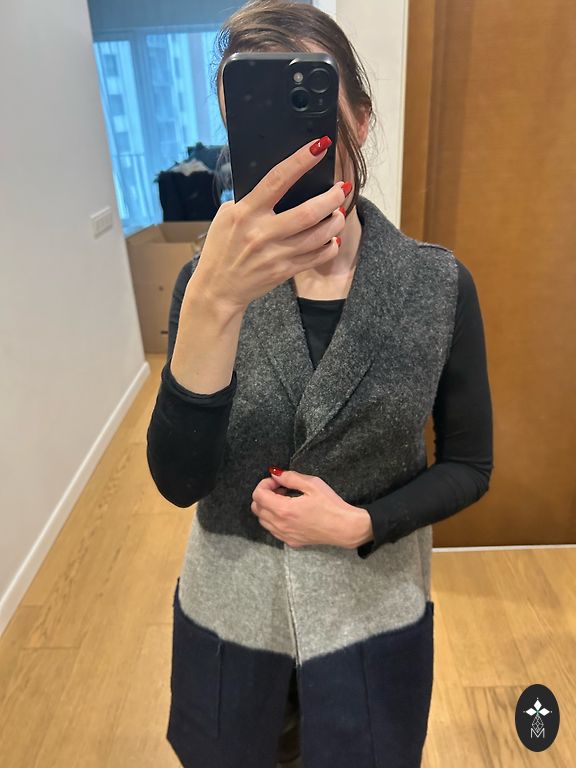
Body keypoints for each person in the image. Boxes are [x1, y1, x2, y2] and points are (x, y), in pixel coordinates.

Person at [146, 2, 493, 767]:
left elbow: (471, 466)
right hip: (234, 621)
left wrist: (362, 523)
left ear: (360, 120)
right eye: (253, 127)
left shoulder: (438, 287)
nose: (286, 156)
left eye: (309, 117)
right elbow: (179, 480)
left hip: (370, 621)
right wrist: (213, 303)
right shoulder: (207, 286)